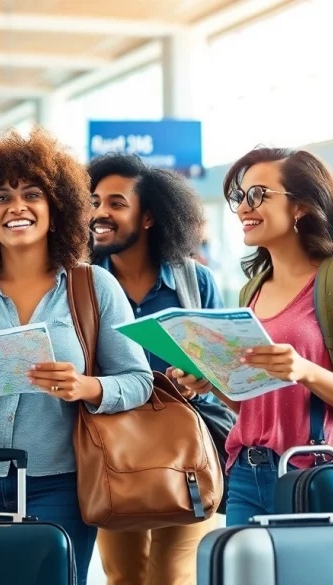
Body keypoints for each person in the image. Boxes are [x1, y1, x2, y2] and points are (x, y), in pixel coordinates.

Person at [0, 129, 153, 585]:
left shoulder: (94, 288)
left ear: (56, 208)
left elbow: (139, 380)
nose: (16, 206)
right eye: (1, 196)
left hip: (60, 484)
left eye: (32, 194)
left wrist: (89, 386)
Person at [173, 147, 333, 526]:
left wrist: (303, 370)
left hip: (308, 472)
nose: (242, 210)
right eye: (240, 198)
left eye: (257, 195)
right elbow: (254, 403)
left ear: (300, 206)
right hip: (245, 473)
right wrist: (212, 382)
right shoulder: (252, 291)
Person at [87, 153, 223, 585]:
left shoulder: (194, 282)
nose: (100, 213)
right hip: (112, 453)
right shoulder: (81, 282)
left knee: (173, 576)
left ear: (148, 217)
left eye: (115, 203)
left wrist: (204, 378)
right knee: (123, 576)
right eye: (93, 202)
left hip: (183, 455)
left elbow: (221, 368)